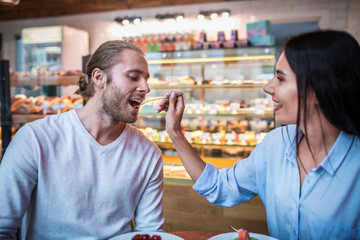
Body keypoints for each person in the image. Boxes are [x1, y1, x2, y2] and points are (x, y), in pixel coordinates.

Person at [159, 30, 360, 239]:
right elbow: (220, 187)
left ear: (318, 88)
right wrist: (175, 132)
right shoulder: (276, 144)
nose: (268, 87)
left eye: (280, 79)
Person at [0, 40, 164, 239]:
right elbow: (3, 227)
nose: (145, 88)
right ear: (99, 77)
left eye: (146, 79)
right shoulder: (36, 139)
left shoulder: (148, 154)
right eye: (133, 77)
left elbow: (150, 232)